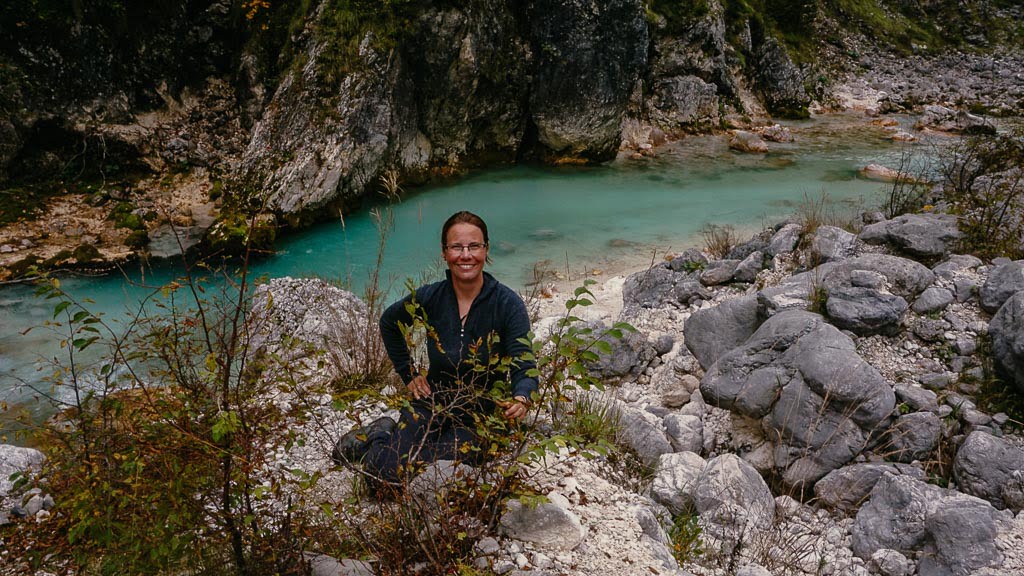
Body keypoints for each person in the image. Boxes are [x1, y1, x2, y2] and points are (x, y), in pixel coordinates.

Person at [333, 210, 539, 489]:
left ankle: (392, 442)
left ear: (486, 250)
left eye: (474, 246)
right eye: (457, 247)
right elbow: (389, 323)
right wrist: (409, 374)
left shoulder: (507, 304)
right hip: (432, 399)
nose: (466, 255)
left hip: (481, 412)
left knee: (433, 468)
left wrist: (521, 396)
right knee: (380, 479)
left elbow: (523, 361)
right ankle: (380, 433)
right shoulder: (431, 297)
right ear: (444, 253)